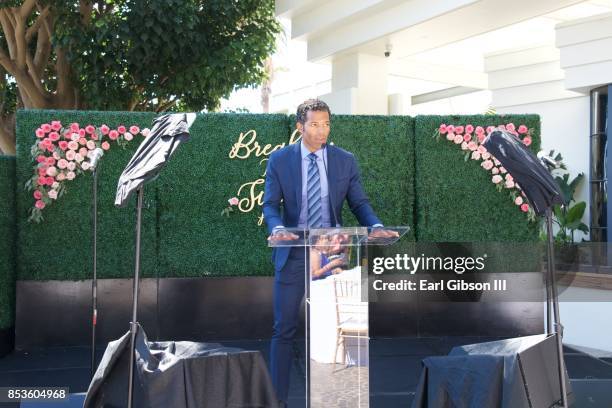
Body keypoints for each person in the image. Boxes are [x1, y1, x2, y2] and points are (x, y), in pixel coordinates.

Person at [263, 99, 397, 407]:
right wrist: (277, 228)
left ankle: (341, 399)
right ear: (300, 126)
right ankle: (276, 401)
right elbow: (270, 205)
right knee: (283, 329)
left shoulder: (344, 160)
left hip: (334, 254)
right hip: (295, 254)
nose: (321, 130)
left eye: (326, 124)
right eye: (314, 124)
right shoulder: (280, 160)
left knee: (338, 328)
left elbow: (359, 203)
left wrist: (374, 225)